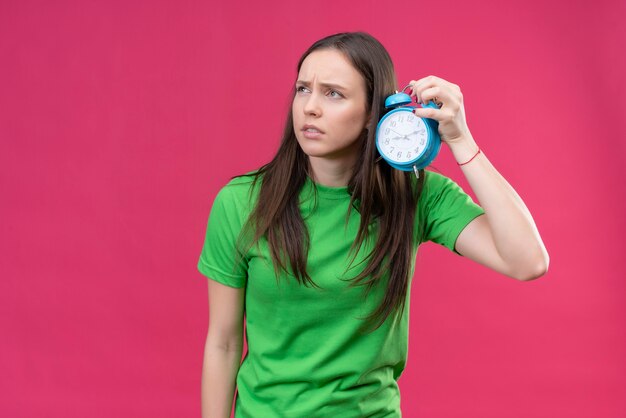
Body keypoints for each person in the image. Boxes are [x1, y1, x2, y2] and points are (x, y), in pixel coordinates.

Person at [197, 31, 549, 418]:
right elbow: (224, 343)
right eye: (302, 89)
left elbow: (527, 261)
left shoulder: (416, 195)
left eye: (333, 93)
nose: (309, 108)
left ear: (372, 115)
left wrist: (460, 139)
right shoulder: (242, 202)